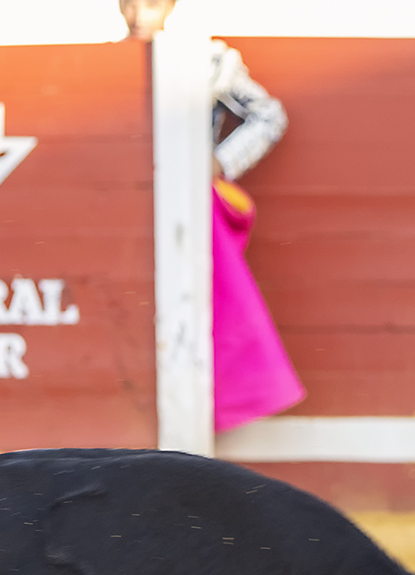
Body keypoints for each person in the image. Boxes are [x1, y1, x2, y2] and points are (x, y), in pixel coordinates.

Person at [121, 0, 307, 431]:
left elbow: (269, 115)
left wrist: (219, 162)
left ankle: (209, 411)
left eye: (147, 4)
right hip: (125, 207)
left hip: (188, 208)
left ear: (168, 7)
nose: (136, 17)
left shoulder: (207, 61)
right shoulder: (105, 67)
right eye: (127, 4)